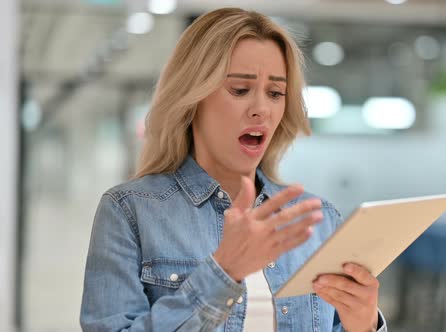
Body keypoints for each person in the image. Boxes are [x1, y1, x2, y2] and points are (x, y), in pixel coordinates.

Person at [80, 7, 387, 332]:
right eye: (240, 90)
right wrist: (223, 271)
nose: (261, 110)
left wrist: (364, 325)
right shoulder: (130, 211)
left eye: (275, 93)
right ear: (192, 97)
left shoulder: (319, 220)